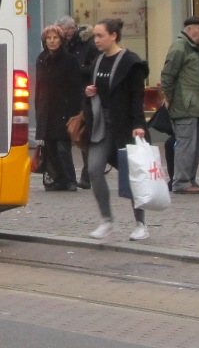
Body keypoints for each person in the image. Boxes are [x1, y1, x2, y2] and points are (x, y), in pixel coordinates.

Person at [82, 17, 152, 241]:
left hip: (125, 126)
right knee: (94, 169)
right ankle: (107, 220)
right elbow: (97, 91)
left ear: (114, 36)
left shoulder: (130, 62)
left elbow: (136, 96)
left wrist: (139, 124)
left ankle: (140, 223)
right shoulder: (98, 61)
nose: (96, 40)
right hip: (102, 125)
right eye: (95, 36)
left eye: (100, 35)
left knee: (132, 175)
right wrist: (90, 93)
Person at [159, 16, 199, 194]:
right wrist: (168, 98)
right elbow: (168, 75)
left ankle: (190, 180)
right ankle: (181, 182)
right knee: (186, 144)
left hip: (198, 104)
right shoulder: (180, 47)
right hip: (184, 104)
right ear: (190, 29)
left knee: (194, 144)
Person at [35, 25, 84, 191]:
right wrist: (38, 109)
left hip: (63, 109)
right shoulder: (41, 59)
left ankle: (70, 180)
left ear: (61, 40)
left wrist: (74, 113)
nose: (52, 41)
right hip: (46, 109)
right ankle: (57, 179)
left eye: (55, 38)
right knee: (49, 147)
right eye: (48, 38)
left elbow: (75, 88)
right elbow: (38, 87)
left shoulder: (69, 60)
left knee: (63, 147)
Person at [58, 16, 98, 189]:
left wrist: (77, 69)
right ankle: (76, 175)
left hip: (87, 94)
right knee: (76, 132)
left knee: (85, 133)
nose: (64, 35)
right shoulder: (65, 44)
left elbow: (95, 68)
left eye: (66, 31)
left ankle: (88, 175)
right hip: (71, 94)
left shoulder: (88, 43)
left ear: (73, 28)